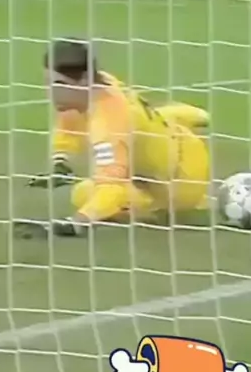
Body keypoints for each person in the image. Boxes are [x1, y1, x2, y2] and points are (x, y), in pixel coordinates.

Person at [15, 39, 210, 238]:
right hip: (162, 136)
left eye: (59, 84)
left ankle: (202, 198)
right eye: (48, 82)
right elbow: (69, 120)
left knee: (88, 196)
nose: (51, 93)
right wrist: (61, 162)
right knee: (86, 191)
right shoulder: (95, 85)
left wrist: (77, 222)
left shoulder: (108, 125)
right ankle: (188, 116)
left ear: (85, 81)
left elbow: (112, 185)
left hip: (182, 175)